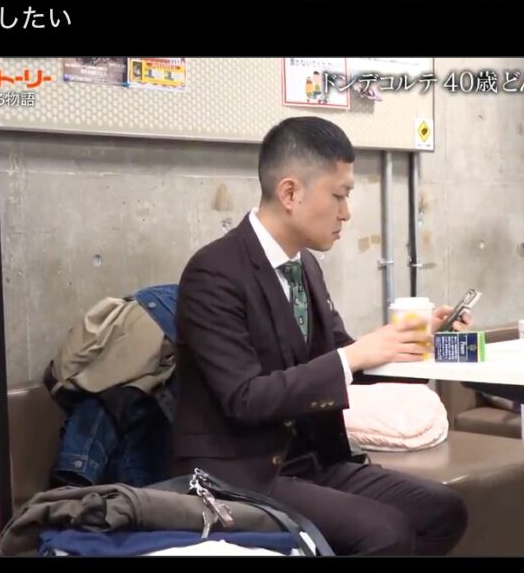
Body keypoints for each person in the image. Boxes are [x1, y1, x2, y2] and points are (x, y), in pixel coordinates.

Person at [171, 116, 471, 555]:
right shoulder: (213, 273)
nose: (346, 213)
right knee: (385, 531)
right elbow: (244, 398)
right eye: (339, 195)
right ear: (290, 193)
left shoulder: (304, 266)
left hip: (310, 462)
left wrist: (418, 341)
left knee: (444, 511)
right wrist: (354, 357)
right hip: (238, 475)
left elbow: (341, 357)